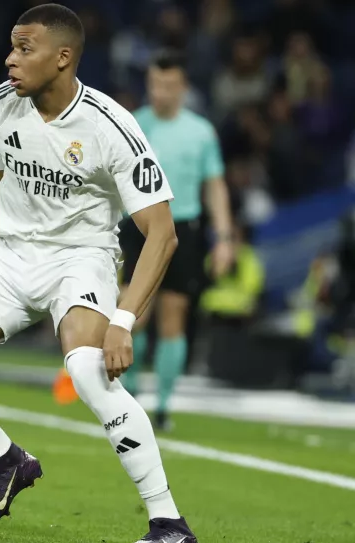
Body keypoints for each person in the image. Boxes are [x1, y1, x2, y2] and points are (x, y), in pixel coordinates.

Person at [0, 4, 198, 543]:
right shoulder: (2, 103)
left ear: (62, 58)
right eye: (11, 46)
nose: (10, 59)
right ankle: (5, 459)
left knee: (86, 373)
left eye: (24, 49)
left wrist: (123, 320)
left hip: (80, 259)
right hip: (8, 255)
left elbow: (162, 233)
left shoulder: (111, 126)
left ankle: (167, 521)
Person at [119, 49, 234, 431]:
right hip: (138, 226)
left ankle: (164, 407)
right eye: (155, 84)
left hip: (183, 226)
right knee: (131, 311)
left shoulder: (201, 132)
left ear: (183, 87)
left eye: (169, 85)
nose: (161, 92)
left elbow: (214, 185)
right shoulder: (134, 124)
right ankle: (129, 392)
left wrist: (224, 237)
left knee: (174, 317)